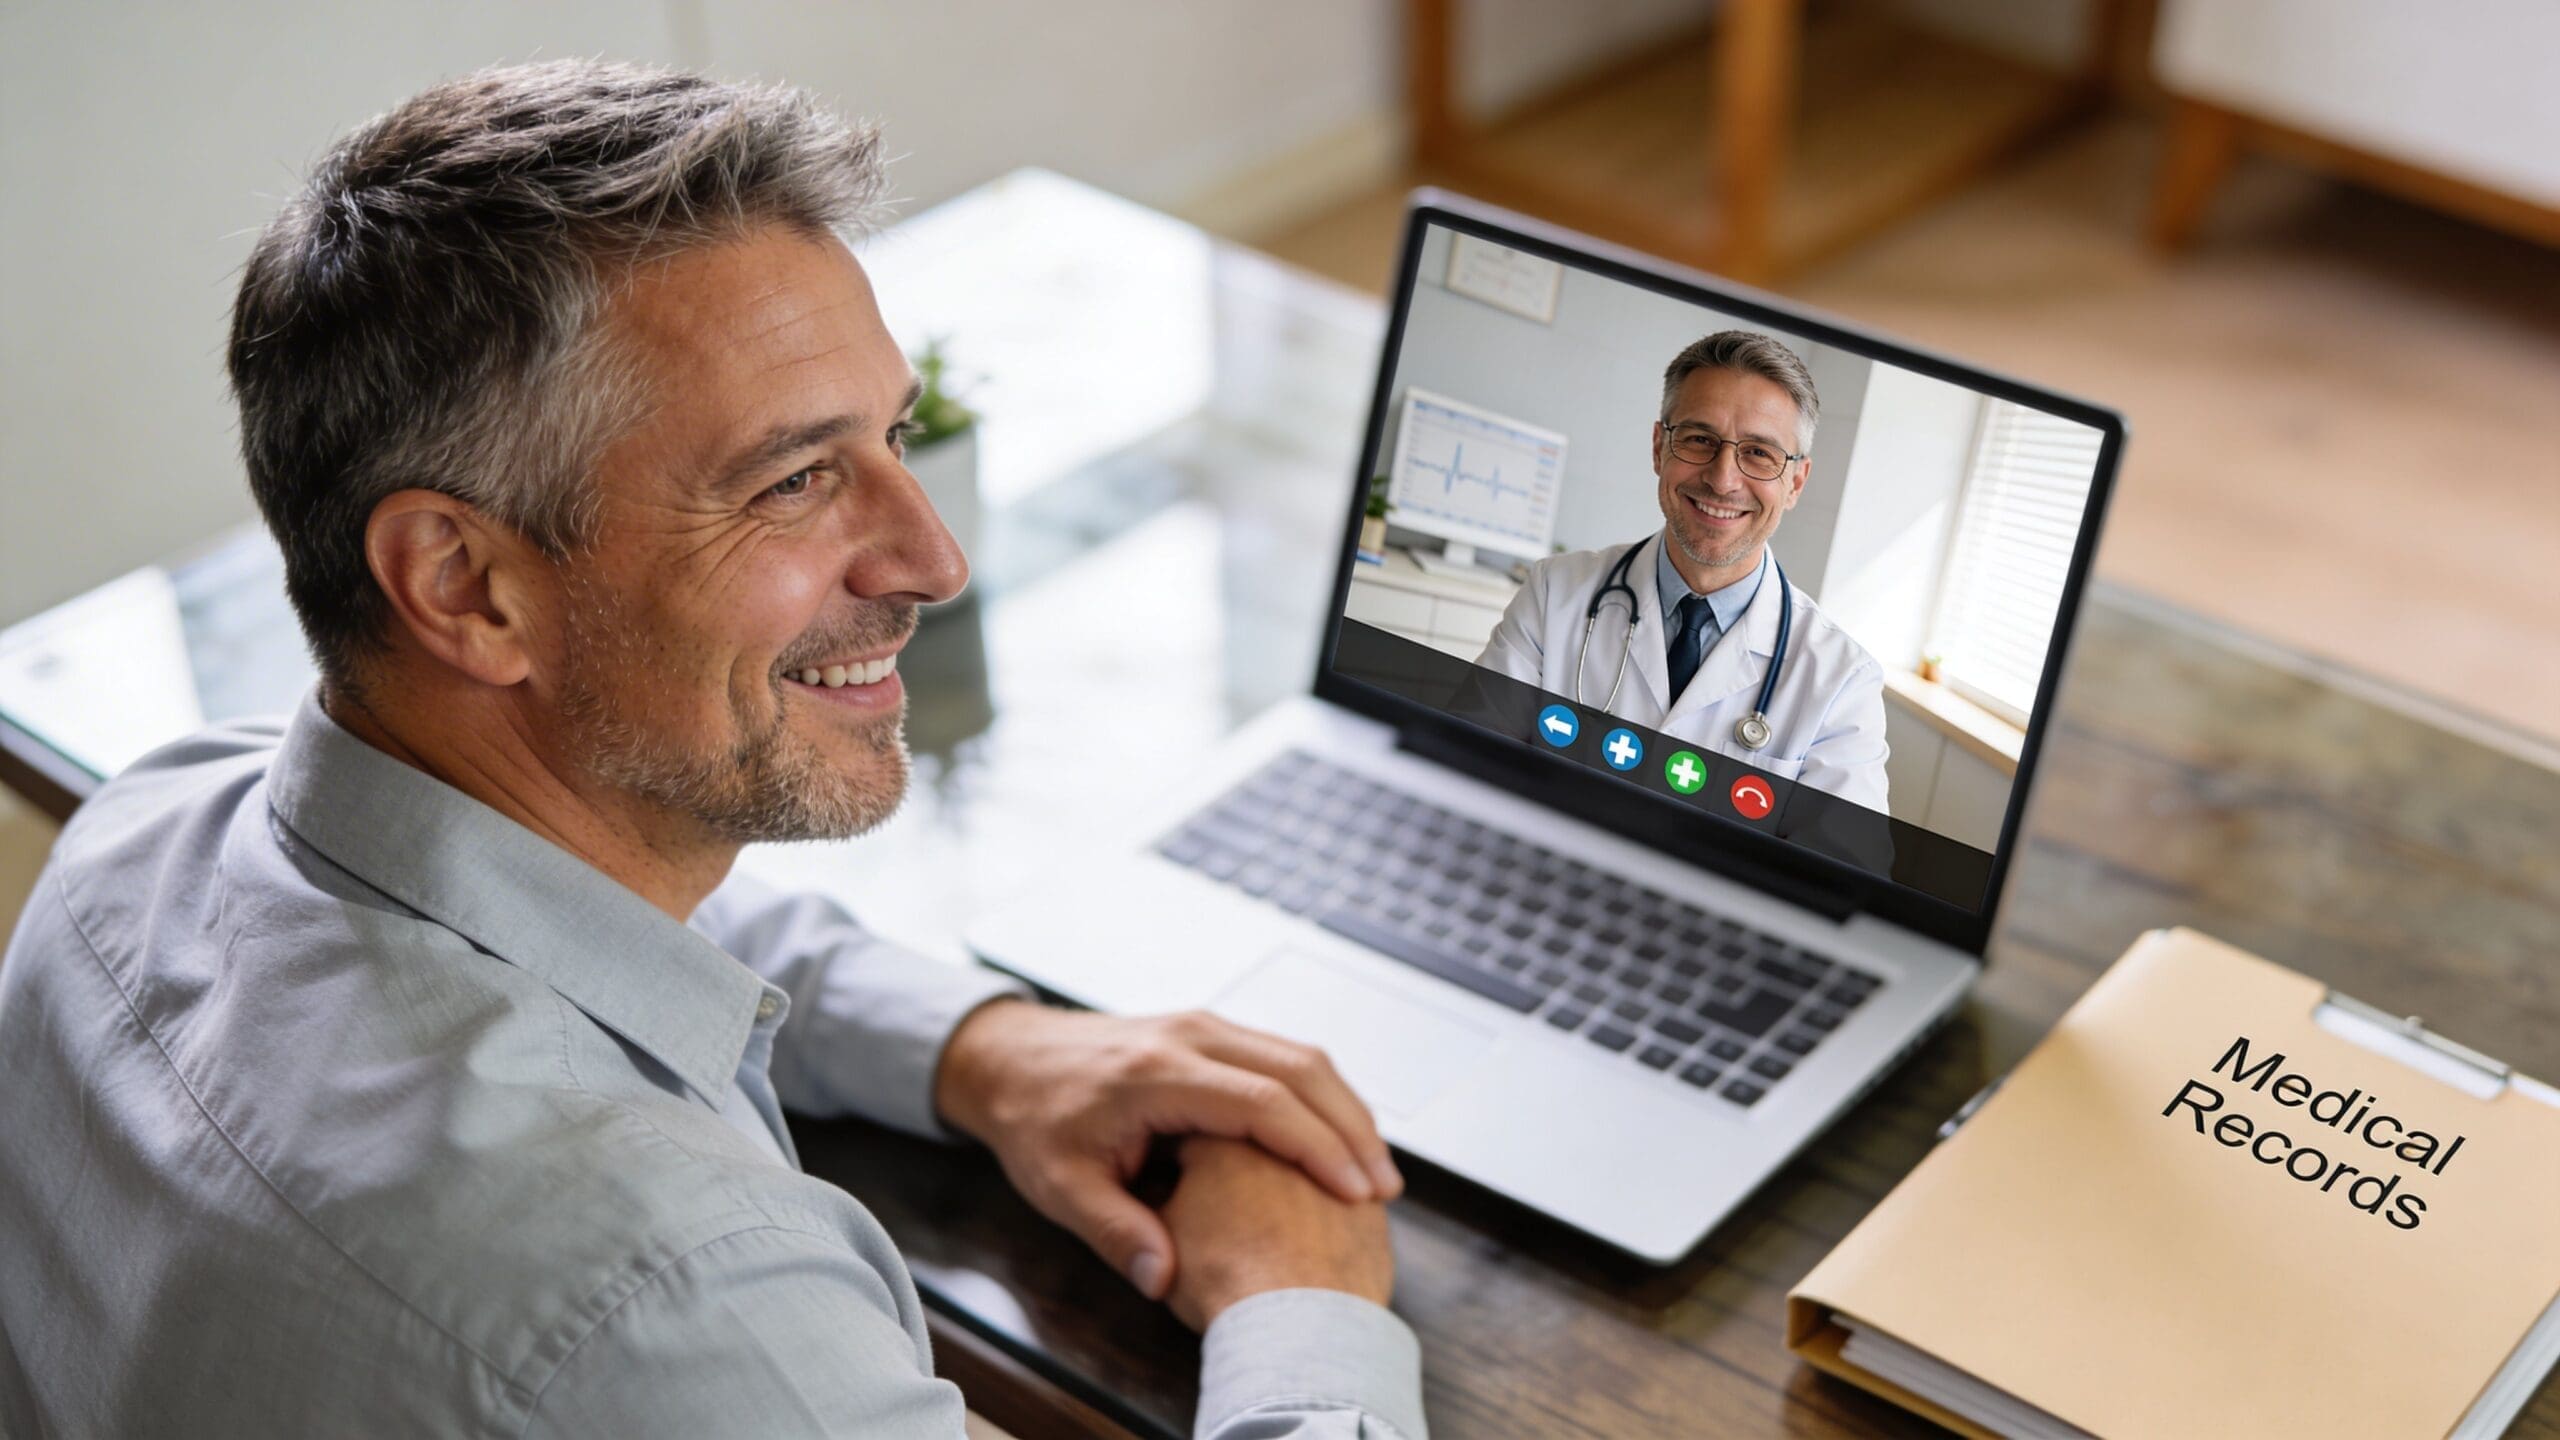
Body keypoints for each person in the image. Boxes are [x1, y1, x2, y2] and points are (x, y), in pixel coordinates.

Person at [0, 61, 1424, 1440]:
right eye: (795, 480)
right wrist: (1305, 1309)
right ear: (462, 585)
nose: (934, 557)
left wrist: (985, 1049)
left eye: (896, 433)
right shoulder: (670, 1306)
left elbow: (578, 913)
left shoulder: (150, 827)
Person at [1472, 331, 1890, 814]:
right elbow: (1467, 766)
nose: (1722, 478)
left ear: (1795, 482)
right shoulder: (1554, 593)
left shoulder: (1842, 681)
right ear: (1658, 448)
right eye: (1699, 439)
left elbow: (1840, 879)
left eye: (1759, 452)